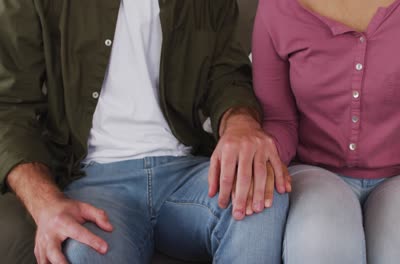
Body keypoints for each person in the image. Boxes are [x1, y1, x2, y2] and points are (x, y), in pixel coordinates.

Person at [0, 0, 290, 263]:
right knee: (85, 251)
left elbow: (224, 72)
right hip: (92, 182)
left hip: (186, 172)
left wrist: (240, 123)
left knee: (262, 196)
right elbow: (9, 106)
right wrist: (46, 204)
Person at [252, 0, 400, 263]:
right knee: (319, 243)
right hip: (314, 172)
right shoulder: (276, 6)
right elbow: (279, 120)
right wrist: (259, 161)